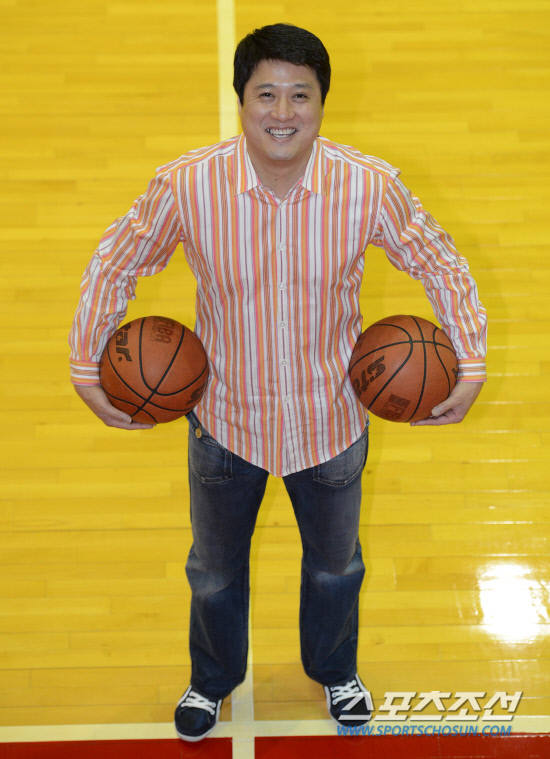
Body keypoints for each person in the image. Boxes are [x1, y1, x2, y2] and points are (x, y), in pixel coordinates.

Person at [69, 23, 487, 742]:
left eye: (301, 94)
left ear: (323, 101)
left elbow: (439, 261)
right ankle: (211, 680)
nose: (283, 112)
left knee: (335, 568)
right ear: (241, 100)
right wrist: (86, 363)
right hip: (225, 424)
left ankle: (334, 669)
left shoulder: (369, 185)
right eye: (266, 94)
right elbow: (117, 260)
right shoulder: (188, 185)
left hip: (331, 425)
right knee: (213, 572)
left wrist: (470, 359)